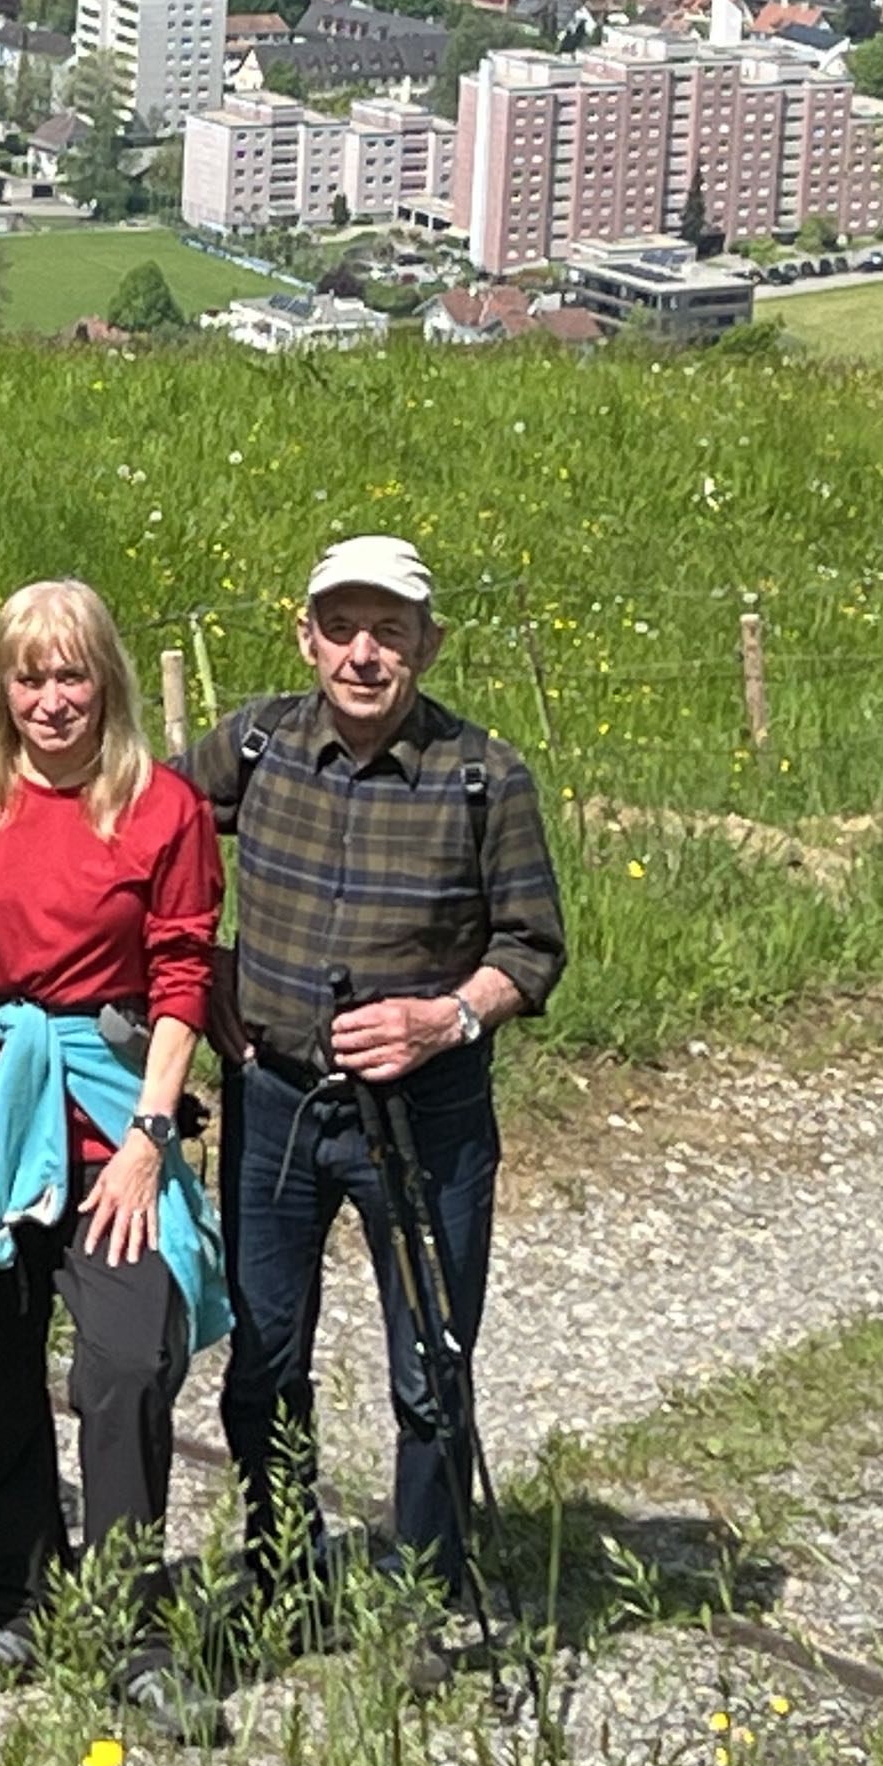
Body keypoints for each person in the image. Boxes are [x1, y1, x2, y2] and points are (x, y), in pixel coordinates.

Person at [184, 534, 564, 1642]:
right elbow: (154, 843)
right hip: (275, 1102)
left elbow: (533, 949)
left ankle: (427, 1596)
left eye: (388, 633)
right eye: (341, 629)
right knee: (262, 1361)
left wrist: (444, 1018)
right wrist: (203, 974)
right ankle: (281, 1575)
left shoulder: (483, 777)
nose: (362, 654)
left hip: (427, 1112)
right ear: (305, 636)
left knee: (431, 1366)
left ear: (427, 647)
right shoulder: (252, 743)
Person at [0, 581, 224, 1743]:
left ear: (110, 681)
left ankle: (135, 1624)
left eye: (73, 674)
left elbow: (183, 973)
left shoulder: (162, 809)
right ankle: (20, 1598)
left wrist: (151, 1139)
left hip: (110, 1118)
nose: (52, 700)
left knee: (127, 1361)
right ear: (1, 684)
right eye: (29, 676)